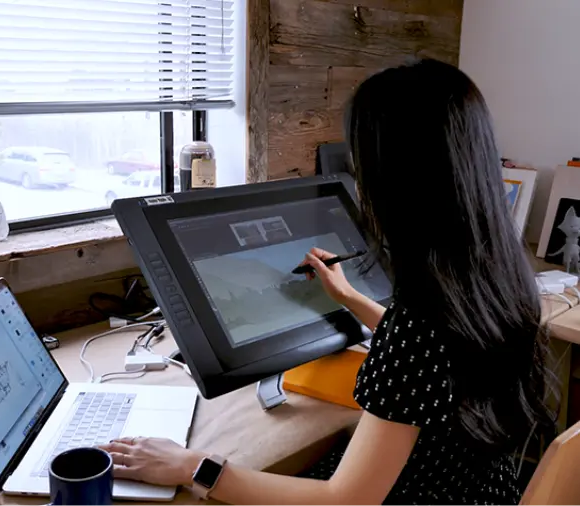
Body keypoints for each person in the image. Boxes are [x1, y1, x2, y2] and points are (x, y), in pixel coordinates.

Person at [98, 59, 556, 505]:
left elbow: (347, 498)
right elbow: (442, 356)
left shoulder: (418, 328)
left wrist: (192, 467)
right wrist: (351, 299)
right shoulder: (498, 277)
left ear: (395, 181)